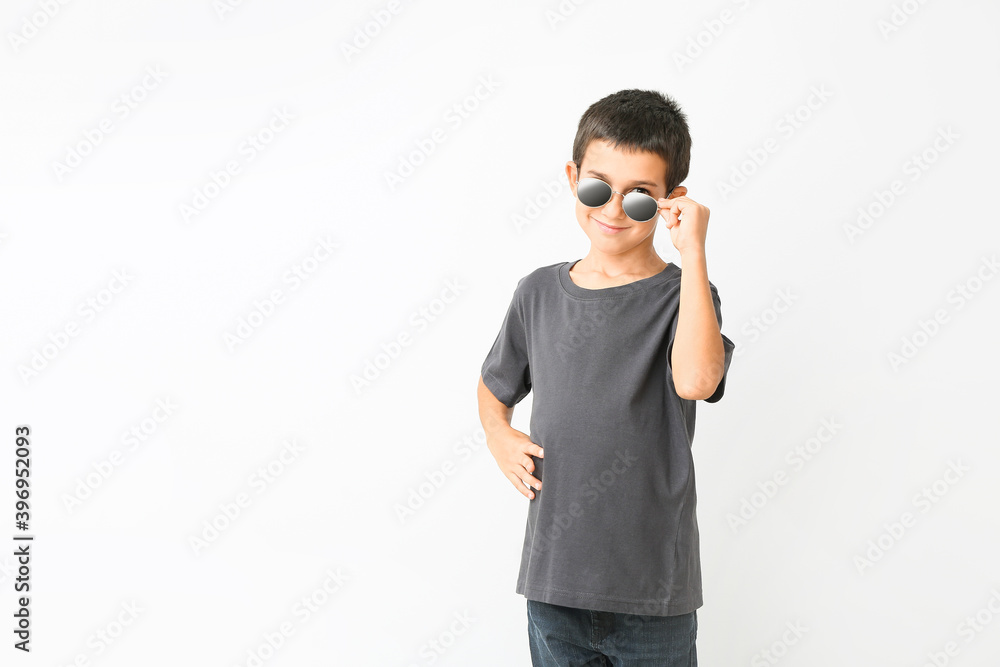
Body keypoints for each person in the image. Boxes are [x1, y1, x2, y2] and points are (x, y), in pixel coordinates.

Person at [476, 88, 736, 666]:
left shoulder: (685, 297)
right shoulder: (538, 292)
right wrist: (498, 433)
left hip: (653, 593)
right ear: (573, 178)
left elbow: (696, 380)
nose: (614, 211)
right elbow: (494, 387)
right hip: (554, 584)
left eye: (640, 197)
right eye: (599, 188)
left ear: (672, 202)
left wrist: (693, 256)